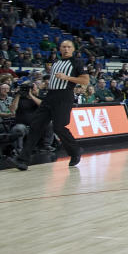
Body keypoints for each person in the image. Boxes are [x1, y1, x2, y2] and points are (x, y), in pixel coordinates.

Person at [7, 40, 88, 170]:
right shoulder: (56, 61)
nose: (66, 49)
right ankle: (22, 160)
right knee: (35, 126)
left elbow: (85, 80)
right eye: (63, 47)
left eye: (69, 47)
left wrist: (67, 77)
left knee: (59, 127)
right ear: (60, 49)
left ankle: (75, 151)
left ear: (73, 49)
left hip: (64, 96)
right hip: (50, 96)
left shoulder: (77, 62)